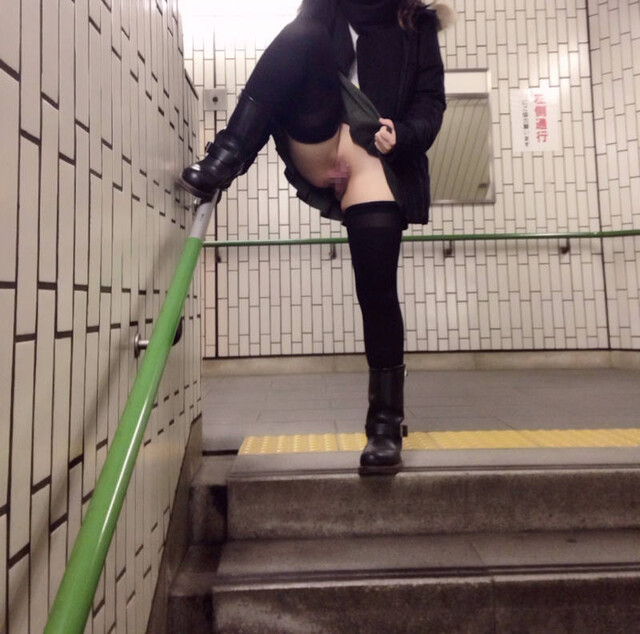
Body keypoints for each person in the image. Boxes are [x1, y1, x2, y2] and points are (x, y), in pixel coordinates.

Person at [180, 0, 453, 475]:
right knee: (301, 36)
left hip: (375, 158)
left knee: (377, 290)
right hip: (320, 136)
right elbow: (287, 70)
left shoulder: (416, 22)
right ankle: (227, 155)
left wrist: (405, 133)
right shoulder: (325, 6)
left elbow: (431, 101)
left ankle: (385, 426)